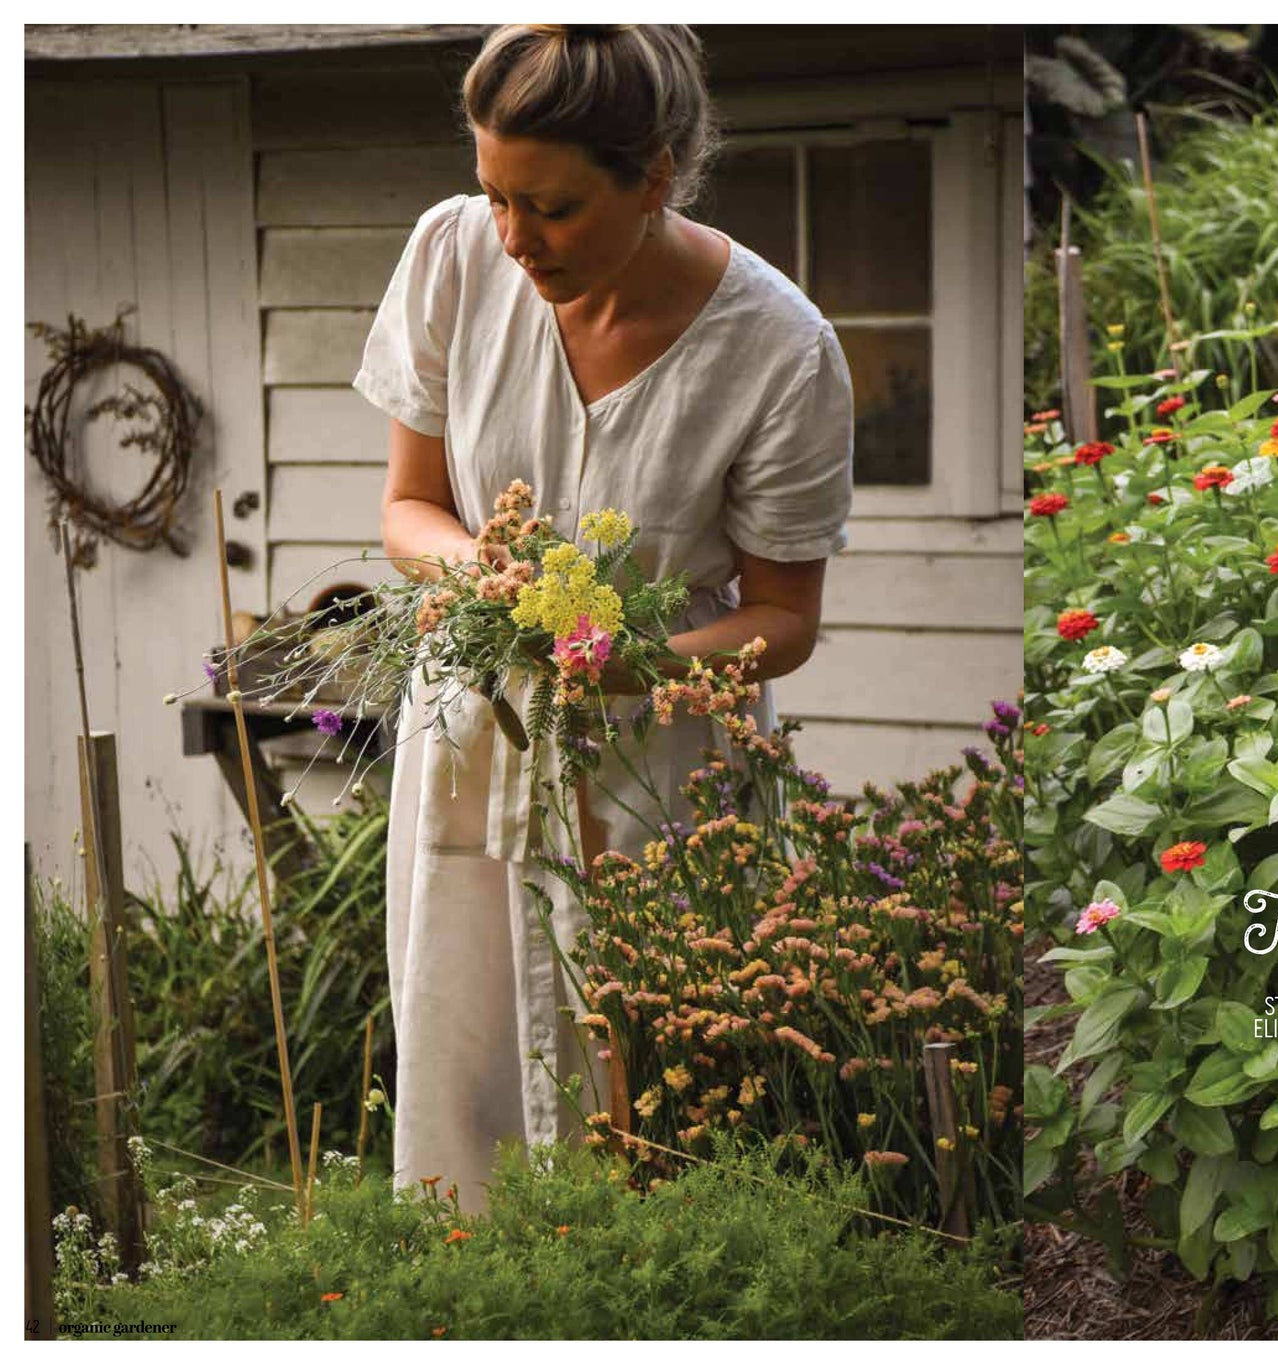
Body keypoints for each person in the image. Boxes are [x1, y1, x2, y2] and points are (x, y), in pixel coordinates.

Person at [354, 23, 854, 1210]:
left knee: (660, 1089)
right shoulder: (452, 254)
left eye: (556, 209)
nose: (516, 241)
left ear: (657, 176)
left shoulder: (780, 349)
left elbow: (781, 618)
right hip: (475, 733)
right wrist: (481, 577)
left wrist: (624, 662)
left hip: (661, 762)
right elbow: (409, 508)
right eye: (496, 197)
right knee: (464, 1059)